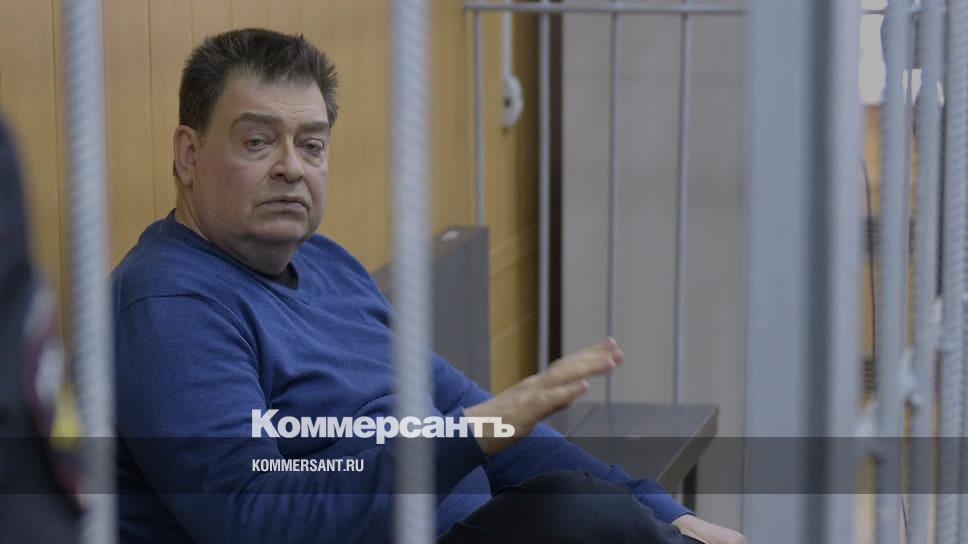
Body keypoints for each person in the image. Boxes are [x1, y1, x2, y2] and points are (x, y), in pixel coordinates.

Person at [112, 28, 746, 544]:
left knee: (596, 509)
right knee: (575, 515)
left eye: (312, 145)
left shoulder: (326, 262)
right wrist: (466, 435)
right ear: (188, 155)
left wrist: (664, 512)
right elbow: (257, 517)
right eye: (258, 142)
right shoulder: (171, 306)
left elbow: (475, 412)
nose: (291, 168)